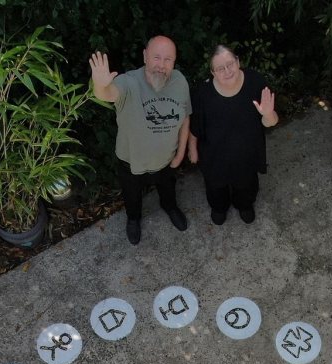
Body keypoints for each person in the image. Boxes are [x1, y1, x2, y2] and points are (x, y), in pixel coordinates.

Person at [89, 36, 191, 245]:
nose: (161, 65)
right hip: (131, 162)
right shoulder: (128, 82)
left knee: (168, 190)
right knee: (132, 196)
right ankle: (133, 219)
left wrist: (181, 153)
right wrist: (99, 85)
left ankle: (170, 207)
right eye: (156, 57)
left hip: (166, 160)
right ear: (145, 56)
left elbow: (186, 116)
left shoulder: (179, 80)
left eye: (168, 59)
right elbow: (108, 93)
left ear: (174, 62)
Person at [187, 45, 279, 225]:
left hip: (246, 154)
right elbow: (195, 125)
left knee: (246, 185)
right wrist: (192, 149)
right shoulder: (203, 93)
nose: (227, 71)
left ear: (238, 62)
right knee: (215, 186)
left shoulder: (255, 82)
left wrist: (268, 113)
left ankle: (244, 205)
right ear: (213, 72)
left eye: (230, 64)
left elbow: (272, 121)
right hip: (214, 156)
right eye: (220, 68)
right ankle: (219, 207)